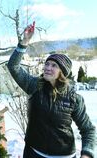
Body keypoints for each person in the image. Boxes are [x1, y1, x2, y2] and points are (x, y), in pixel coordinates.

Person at [7, 22, 96, 158]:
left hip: (63, 155)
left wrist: (87, 154)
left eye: (54, 65)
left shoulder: (73, 98)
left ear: (62, 72)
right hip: (33, 152)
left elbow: (88, 129)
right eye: (47, 64)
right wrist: (24, 41)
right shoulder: (35, 85)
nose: (48, 67)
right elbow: (13, 66)